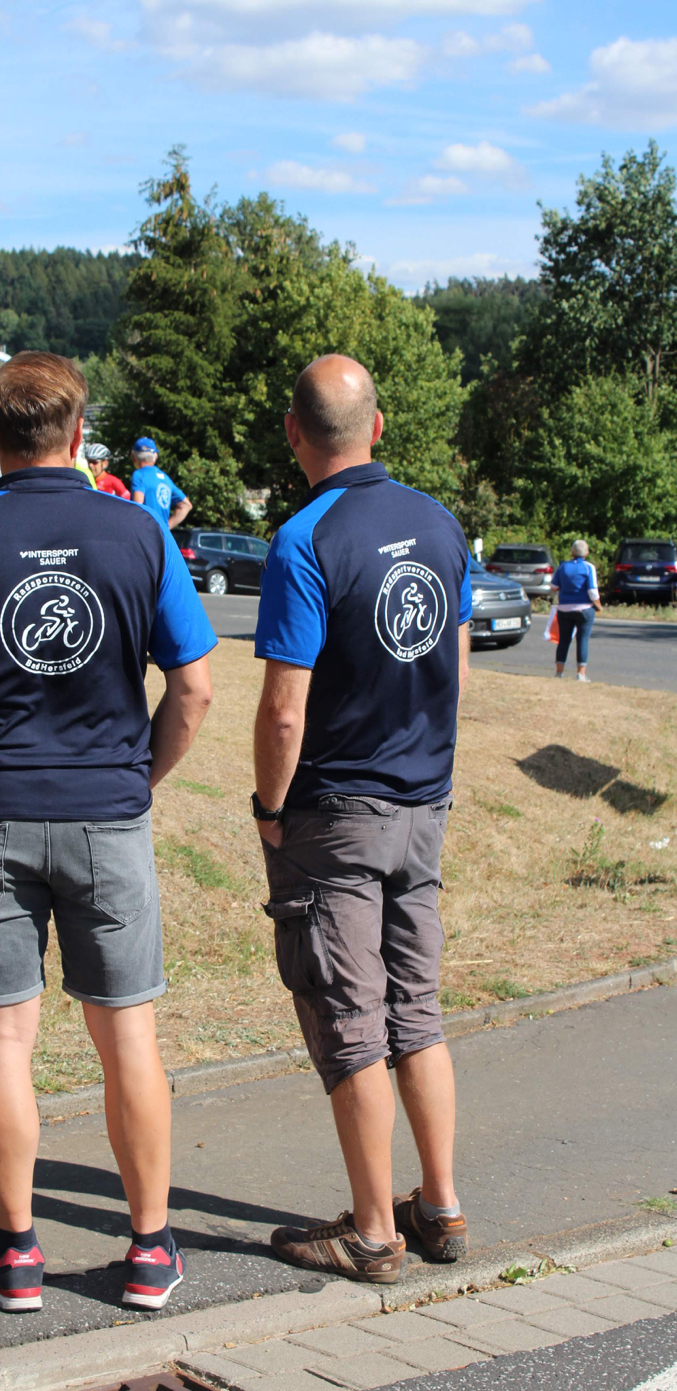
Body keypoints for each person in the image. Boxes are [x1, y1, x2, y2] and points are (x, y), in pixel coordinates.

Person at [0, 352, 215, 1314]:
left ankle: (17, 1253)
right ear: (78, 434)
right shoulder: (141, 532)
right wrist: (136, 782)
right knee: (127, 1035)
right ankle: (148, 1252)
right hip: (107, 815)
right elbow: (192, 688)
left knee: (2, 1034)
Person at [252, 355, 472, 1285]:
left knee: (351, 1021)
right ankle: (440, 1205)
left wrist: (269, 808)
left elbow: (283, 709)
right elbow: (454, 659)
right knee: (415, 1010)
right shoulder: (438, 521)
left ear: (294, 434)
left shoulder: (303, 539)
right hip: (422, 805)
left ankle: (375, 1232)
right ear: (377, 426)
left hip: (335, 815)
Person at [551, 539, 602, 682]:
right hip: (584, 609)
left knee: (563, 640)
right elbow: (592, 591)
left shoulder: (563, 567)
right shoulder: (589, 567)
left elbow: (554, 586)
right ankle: (581, 674)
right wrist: (598, 604)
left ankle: (559, 673)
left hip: (564, 608)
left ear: (572, 552)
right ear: (587, 553)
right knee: (582, 640)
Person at [130, 437, 192, 529]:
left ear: (133, 457)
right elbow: (186, 505)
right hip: (161, 535)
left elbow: (137, 507)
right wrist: (165, 528)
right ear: (155, 456)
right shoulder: (166, 478)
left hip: (145, 532)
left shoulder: (139, 475)